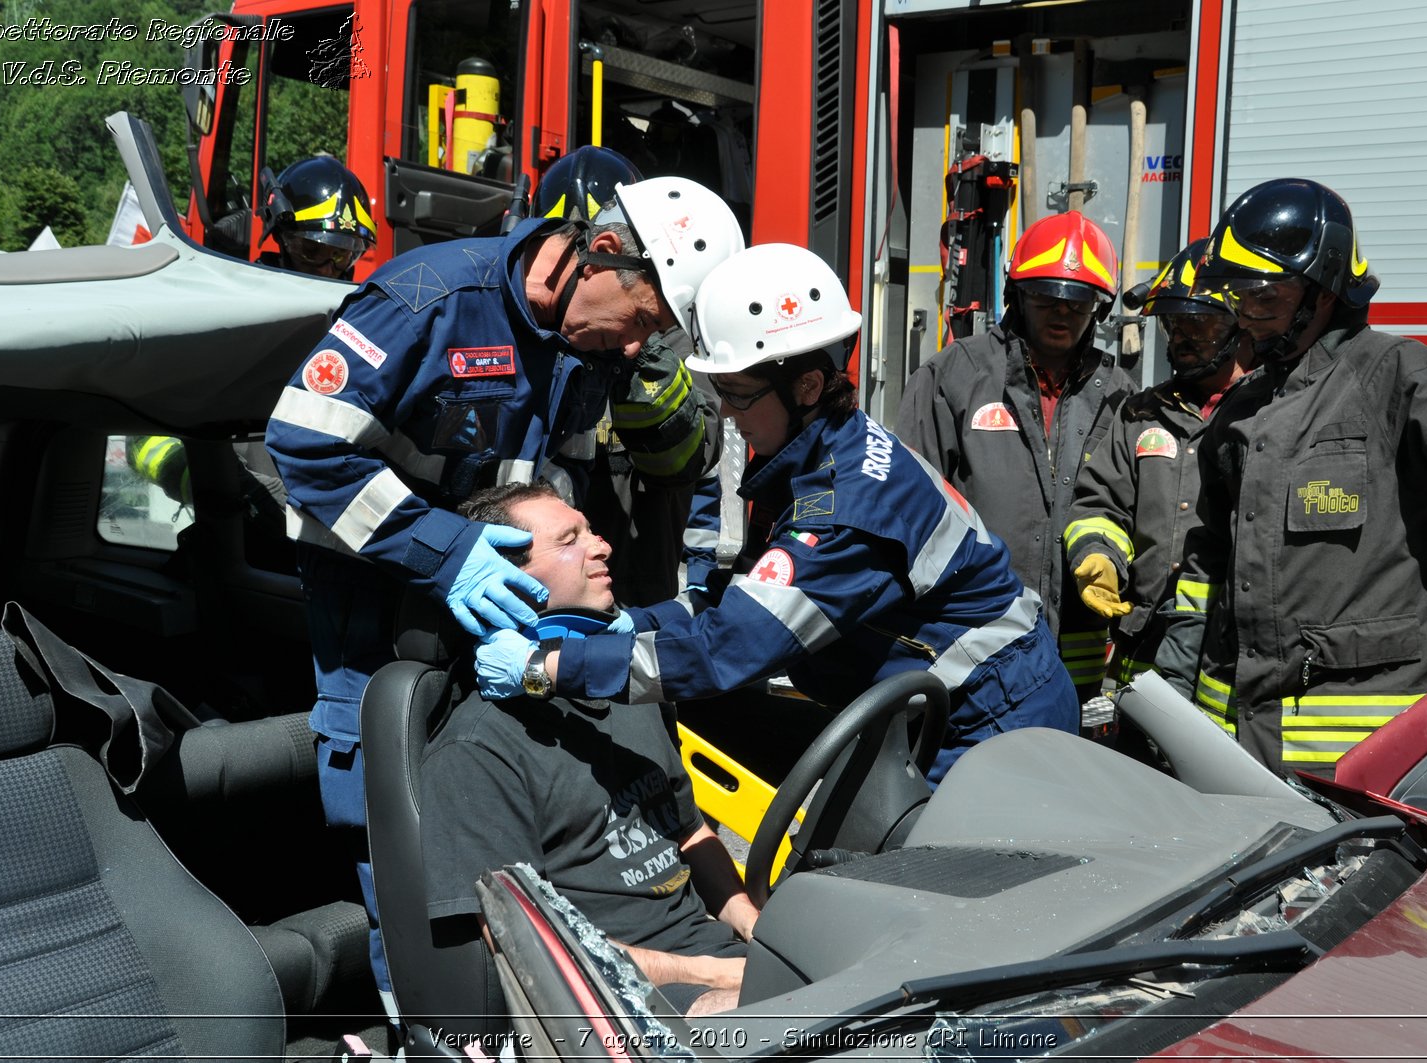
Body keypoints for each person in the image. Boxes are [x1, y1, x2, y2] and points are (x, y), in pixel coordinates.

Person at [264, 174, 744, 1010]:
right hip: (380, 624)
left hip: (504, 619)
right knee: (411, 857)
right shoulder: (432, 299)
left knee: (531, 827)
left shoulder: (583, 345)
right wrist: (449, 556)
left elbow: (560, 481)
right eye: (642, 321)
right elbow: (304, 442)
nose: (637, 350)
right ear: (600, 256)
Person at [473, 243, 1078, 784]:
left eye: (738, 395)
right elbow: (736, 599)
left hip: (996, 717)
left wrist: (545, 667)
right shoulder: (816, 453)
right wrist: (631, 624)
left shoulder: (846, 510)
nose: (729, 416)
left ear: (808, 386)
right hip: (957, 703)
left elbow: (730, 648)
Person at [1153, 177, 1427, 777]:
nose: (1244, 314)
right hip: (1229, 758)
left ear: (1323, 292)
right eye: (1236, 294)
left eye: (1263, 295)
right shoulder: (1238, 411)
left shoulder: (1397, 378)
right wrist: (1174, 686)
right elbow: (1205, 564)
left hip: (1361, 766)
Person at [420, 481, 757, 1018]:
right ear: (511, 579)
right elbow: (535, 949)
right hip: (623, 1002)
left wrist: (754, 927)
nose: (602, 545)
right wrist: (724, 973)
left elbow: (689, 829)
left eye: (593, 530)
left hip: (726, 963)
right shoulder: (475, 750)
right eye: (569, 539)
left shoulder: (625, 685)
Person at [897, 211, 1136, 700]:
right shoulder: (953, 377)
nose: (1062, 312)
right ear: (1018, 295)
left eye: (1079, 301)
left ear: (1100, 309)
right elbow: (907, 505)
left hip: (1078, 658)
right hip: (975, 643)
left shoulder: (1121, 396)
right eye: (1046, 296)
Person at [532, 146, 721, 605]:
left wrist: (635, 355)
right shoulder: (526, 326)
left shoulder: (665, 334)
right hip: (538, 588)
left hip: (634, 592)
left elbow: (697, 455)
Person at [1062, 239, 1249, 683]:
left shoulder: (1267, 413)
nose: (1182, 338)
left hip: (1229, 657)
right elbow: (1100, 503)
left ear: (1240, 326)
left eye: (1199, 325)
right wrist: (1098, 554)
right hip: (1142, 646)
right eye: (1173, 325)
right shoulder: (1139, 413)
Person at [257, 155, 378, 280]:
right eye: (311, 251)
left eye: (340, 255)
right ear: (280, 236)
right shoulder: (250, 295)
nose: (325, 271)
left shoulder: (358, 298)